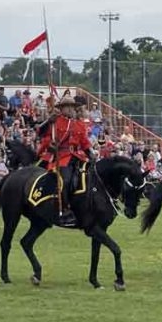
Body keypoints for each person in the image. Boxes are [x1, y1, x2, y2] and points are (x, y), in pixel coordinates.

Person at [36, 95, 94, 226]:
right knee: (65, 180)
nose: (70, 110)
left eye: (72, 107)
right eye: (67, 107)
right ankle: (64, 210)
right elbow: (41, 133)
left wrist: (91, 154)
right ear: (61, 109)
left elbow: (84, 142)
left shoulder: (79, 124)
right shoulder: (55, 121)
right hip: (61, 157)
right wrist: (47, 122)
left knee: (90, 177)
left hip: (77, 156)